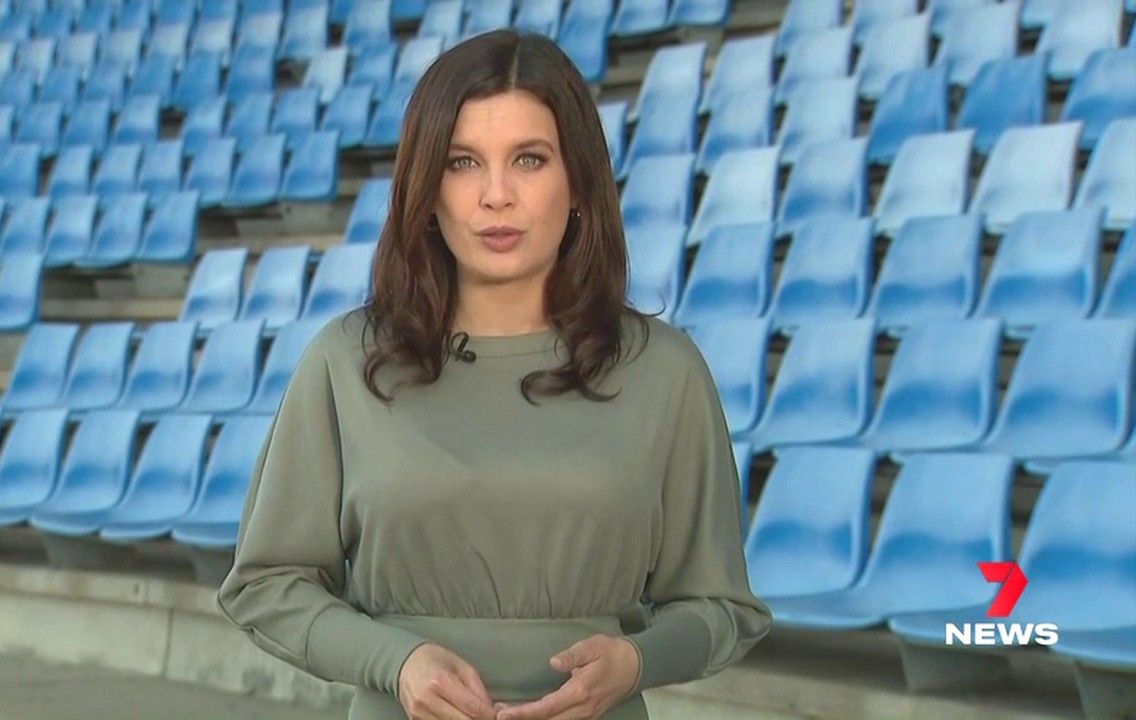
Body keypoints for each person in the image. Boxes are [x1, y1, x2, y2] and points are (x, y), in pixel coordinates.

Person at [217, 28, 772, 720]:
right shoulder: (345, 361)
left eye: (529, 159)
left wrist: (636, 661)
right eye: (462, 163)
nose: (496, 195)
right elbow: (266, 584)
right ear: (427, 190)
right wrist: (396, 662)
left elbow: (720, 606)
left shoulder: (665, 371)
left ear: (578, 182)